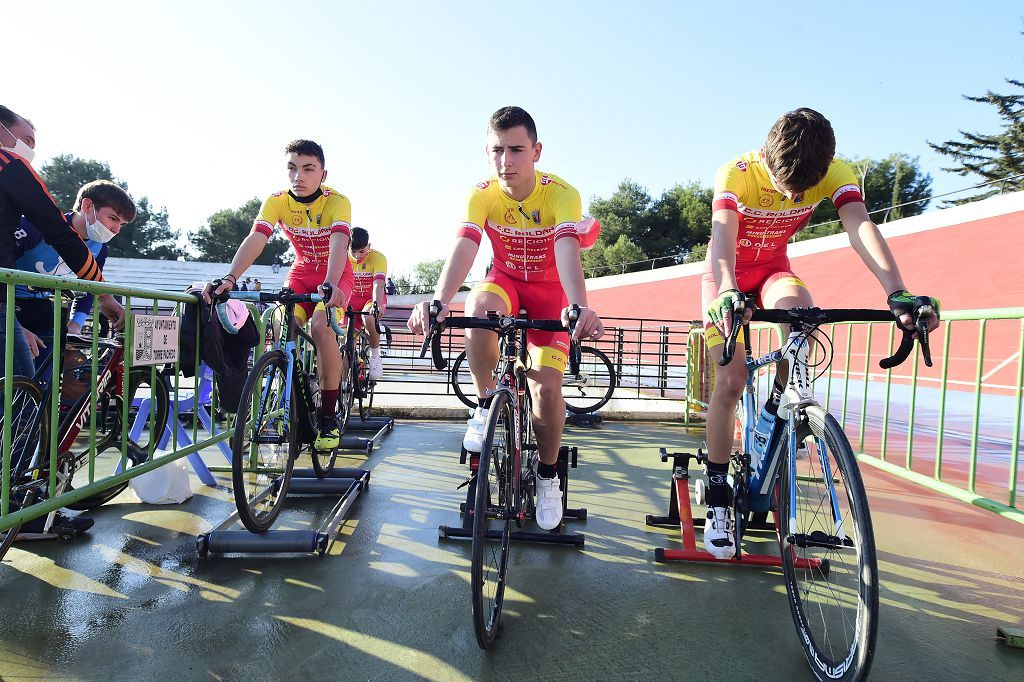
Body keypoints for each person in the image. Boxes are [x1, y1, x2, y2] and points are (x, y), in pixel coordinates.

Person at [702, 108, 940, 559]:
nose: (793, 195)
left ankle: (779, 411)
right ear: (767, 157)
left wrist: (898, 292)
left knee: (804, 322)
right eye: (783, 184)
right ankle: (717, 493)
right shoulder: (736, 174)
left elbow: (860, 225)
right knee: (731, 380)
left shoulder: (837, 172)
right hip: (725, 275)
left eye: (803, 191)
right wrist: (730, 291)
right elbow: (722, 239)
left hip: (774, 271)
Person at [408, 106, 604, 530]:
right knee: (477, 307)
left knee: (547, 392)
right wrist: (440, 300)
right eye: (497, 150)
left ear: (536, 151)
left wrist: (578, 304)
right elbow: (465, 245)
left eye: (516, 149)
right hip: (506, 282)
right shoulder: (482, 194)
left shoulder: (562, 193)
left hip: (552, 294)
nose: (506, 161)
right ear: (487, 151)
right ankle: (483, 405)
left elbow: (568, 248)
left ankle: (548, 476)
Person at [204, 139, 354, 451]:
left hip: (335, 274)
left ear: (322, 175)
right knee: (278, 324)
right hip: (301, 273)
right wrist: (232, 277)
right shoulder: (277, 200)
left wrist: (329, 283)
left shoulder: (338, 201)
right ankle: (291, 389)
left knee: (322, 327)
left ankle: (328, 415)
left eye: (308, 169)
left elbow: (339, 242)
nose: (298, 176)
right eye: (292, 169)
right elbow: (257, 237)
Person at [1, 104, 106, 540]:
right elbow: (55, 230)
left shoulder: (100, 247)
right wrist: (102, 291)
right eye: (27, 138)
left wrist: (86, 314)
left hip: (42, 323)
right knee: (21, 402)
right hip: (18, 310)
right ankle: (15, 508)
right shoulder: (13, 170)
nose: (30, 149)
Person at [15, 180, 134, 367]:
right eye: (113, 218)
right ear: (87, 206)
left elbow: (90, 287)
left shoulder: (100, 248)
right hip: (9, 306)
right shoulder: (34, 226)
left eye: (122, 224)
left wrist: (76, 324)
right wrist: (14, 329)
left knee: (45, 385)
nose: (116, 230)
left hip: (46, 308)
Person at [348, 227, 388, 380]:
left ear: (369, 247)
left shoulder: (378, 258)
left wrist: (377, 305)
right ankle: (344, 386)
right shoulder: (343, 257)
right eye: (354, 252)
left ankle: (375, 356)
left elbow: (378, 284)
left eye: (361, 251)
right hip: (351, 300)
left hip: (371, 298)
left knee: (368, 318)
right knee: (347, 342)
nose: (357, 256)